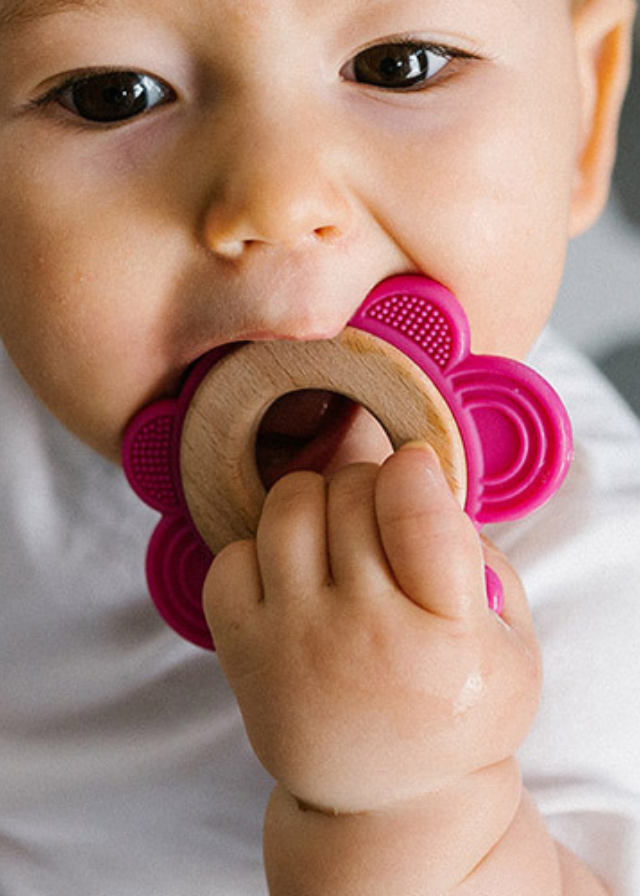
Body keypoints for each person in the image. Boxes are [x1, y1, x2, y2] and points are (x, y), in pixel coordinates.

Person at [0, 0, 638, 892]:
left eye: (400, 66)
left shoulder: (595, 575)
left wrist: (422, 803)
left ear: (583, 109)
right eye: (115, 94)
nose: (279, 201)